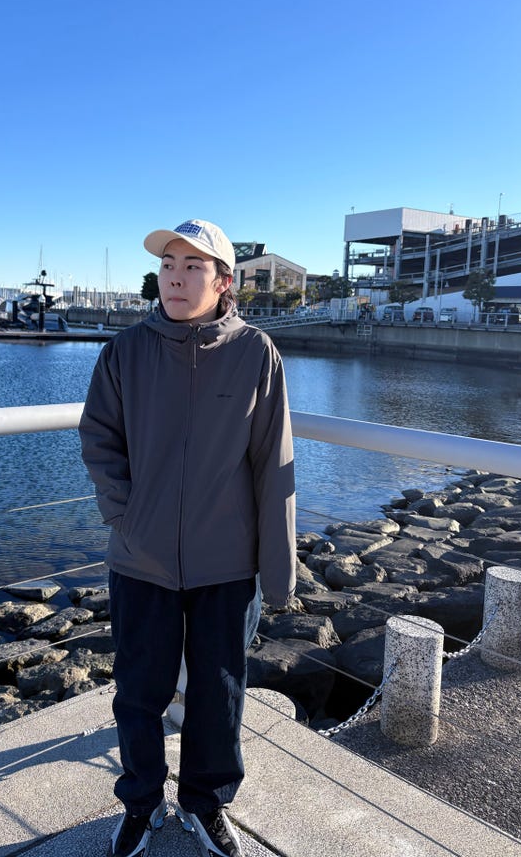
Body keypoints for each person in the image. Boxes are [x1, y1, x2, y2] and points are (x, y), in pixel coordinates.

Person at [79, 219, 296, 857]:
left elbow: (274, 463)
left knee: (219, 693)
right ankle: (141, 803)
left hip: (227, 562)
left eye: (192, 266)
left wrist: (278, 570)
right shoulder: (124, 352)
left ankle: (206, 803)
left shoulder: (256, 352)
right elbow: (99, 438)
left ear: (223, 281)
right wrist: (124, 516)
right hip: (139, 558)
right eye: (168, 265)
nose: (175, 277)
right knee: (137, 692)